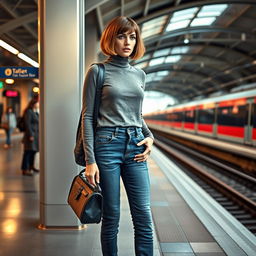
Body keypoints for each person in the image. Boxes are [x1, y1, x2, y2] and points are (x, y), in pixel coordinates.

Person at [82, 16, 154, 256]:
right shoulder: (97, 71)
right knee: (111, 215)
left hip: (135, 145)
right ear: (110, 38)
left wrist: (150, 136)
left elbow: (136, 114)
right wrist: (90, 161)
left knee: (143, 213)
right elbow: (88, 117)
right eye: (122, 36)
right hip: (107, 145)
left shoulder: (139, 75)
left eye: (132, 37)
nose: (128, 42)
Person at [21, 98, 39, 176]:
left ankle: (31, 166)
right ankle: (25, 169)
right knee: (28, 152)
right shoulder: (28, 112)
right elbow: (27, 124)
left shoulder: (34, 112)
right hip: (30, 135)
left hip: (35, 136)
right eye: (37, 103)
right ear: (33, 104)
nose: (38, 104)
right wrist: (30, 135)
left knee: (33, 151)